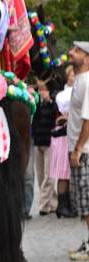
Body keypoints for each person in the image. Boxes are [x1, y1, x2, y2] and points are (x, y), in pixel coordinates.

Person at [66, 42, 89, 260]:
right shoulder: (80, 81)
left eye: (77, 51)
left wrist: (78, 149)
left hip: (84, 151)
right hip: (79, 149)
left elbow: (88, 120)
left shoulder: (88, 81)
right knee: (83, 201)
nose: (71, 52)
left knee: (87, 201)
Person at [50, 66, 76, 218]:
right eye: (71, 75)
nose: (74, 77)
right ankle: (63, 205)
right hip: (63, 135)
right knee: (64, 172)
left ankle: (68, 204)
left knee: (69, 172)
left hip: (71, 133)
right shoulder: (63, 94)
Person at [30, 80, 58, 215]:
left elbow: (56, 116)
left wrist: (50, 101)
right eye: (40, 90)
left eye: (44, 89)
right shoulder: (36, 104)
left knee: (49, 175)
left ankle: (42, 205)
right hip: (38, 142)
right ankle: (53, 203)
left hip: (49, 142)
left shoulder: (54, 103)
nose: (42, 92)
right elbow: (33, 120)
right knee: (41, 176)